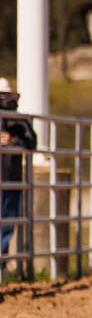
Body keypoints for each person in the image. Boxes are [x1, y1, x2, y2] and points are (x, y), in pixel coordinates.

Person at [0, 78, 37, 255]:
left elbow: (32, 142)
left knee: (7, 226)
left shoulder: (18, 120)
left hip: (11, 180)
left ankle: (2, 263)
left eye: (6, 94)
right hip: (9, 181)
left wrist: (14, 142)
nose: (4, 98)